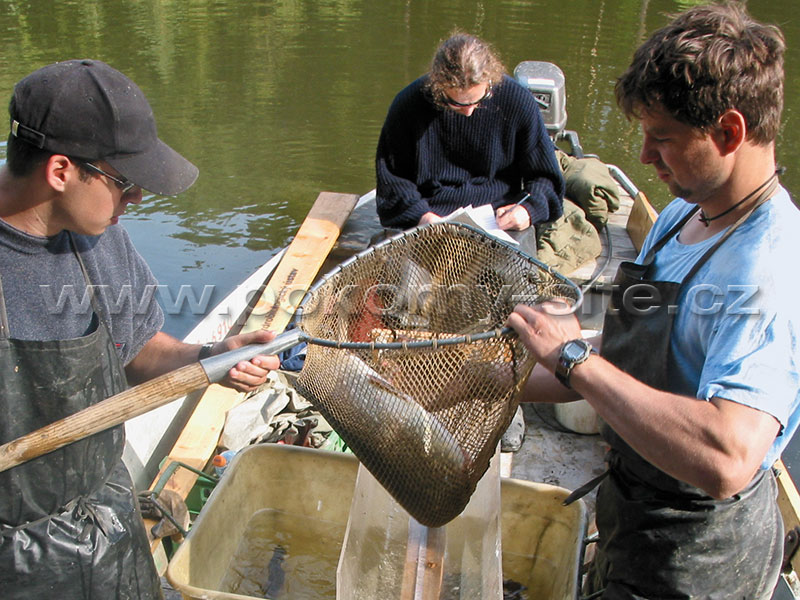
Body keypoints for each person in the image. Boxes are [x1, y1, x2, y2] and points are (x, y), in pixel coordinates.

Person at [507, 3, 799, 598]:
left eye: (661, 138)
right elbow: (619, 362)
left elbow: (728, 458)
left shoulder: (768, 268)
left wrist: (573, 358)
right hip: (633, 514)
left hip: (697, 560)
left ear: (730, 132)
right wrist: (485, 376)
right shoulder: (679, 216)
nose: (642, 157)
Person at [0, 59, 280, 599]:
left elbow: (139, 352)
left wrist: (212, 356)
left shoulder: (99, 235)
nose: (137, 201)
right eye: (124, 184)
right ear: (60, 171)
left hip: (105, 524)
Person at [375, 32, 564, 239]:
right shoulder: (408, 105)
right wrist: (421, 216)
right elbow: (393, 182)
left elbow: (546, 179)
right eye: (455, 103)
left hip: (498, 221)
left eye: (480, 99)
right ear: (438, 87)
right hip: (431, 220)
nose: (469, 111)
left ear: (490, 80)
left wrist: (528, 209)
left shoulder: (517, 101)